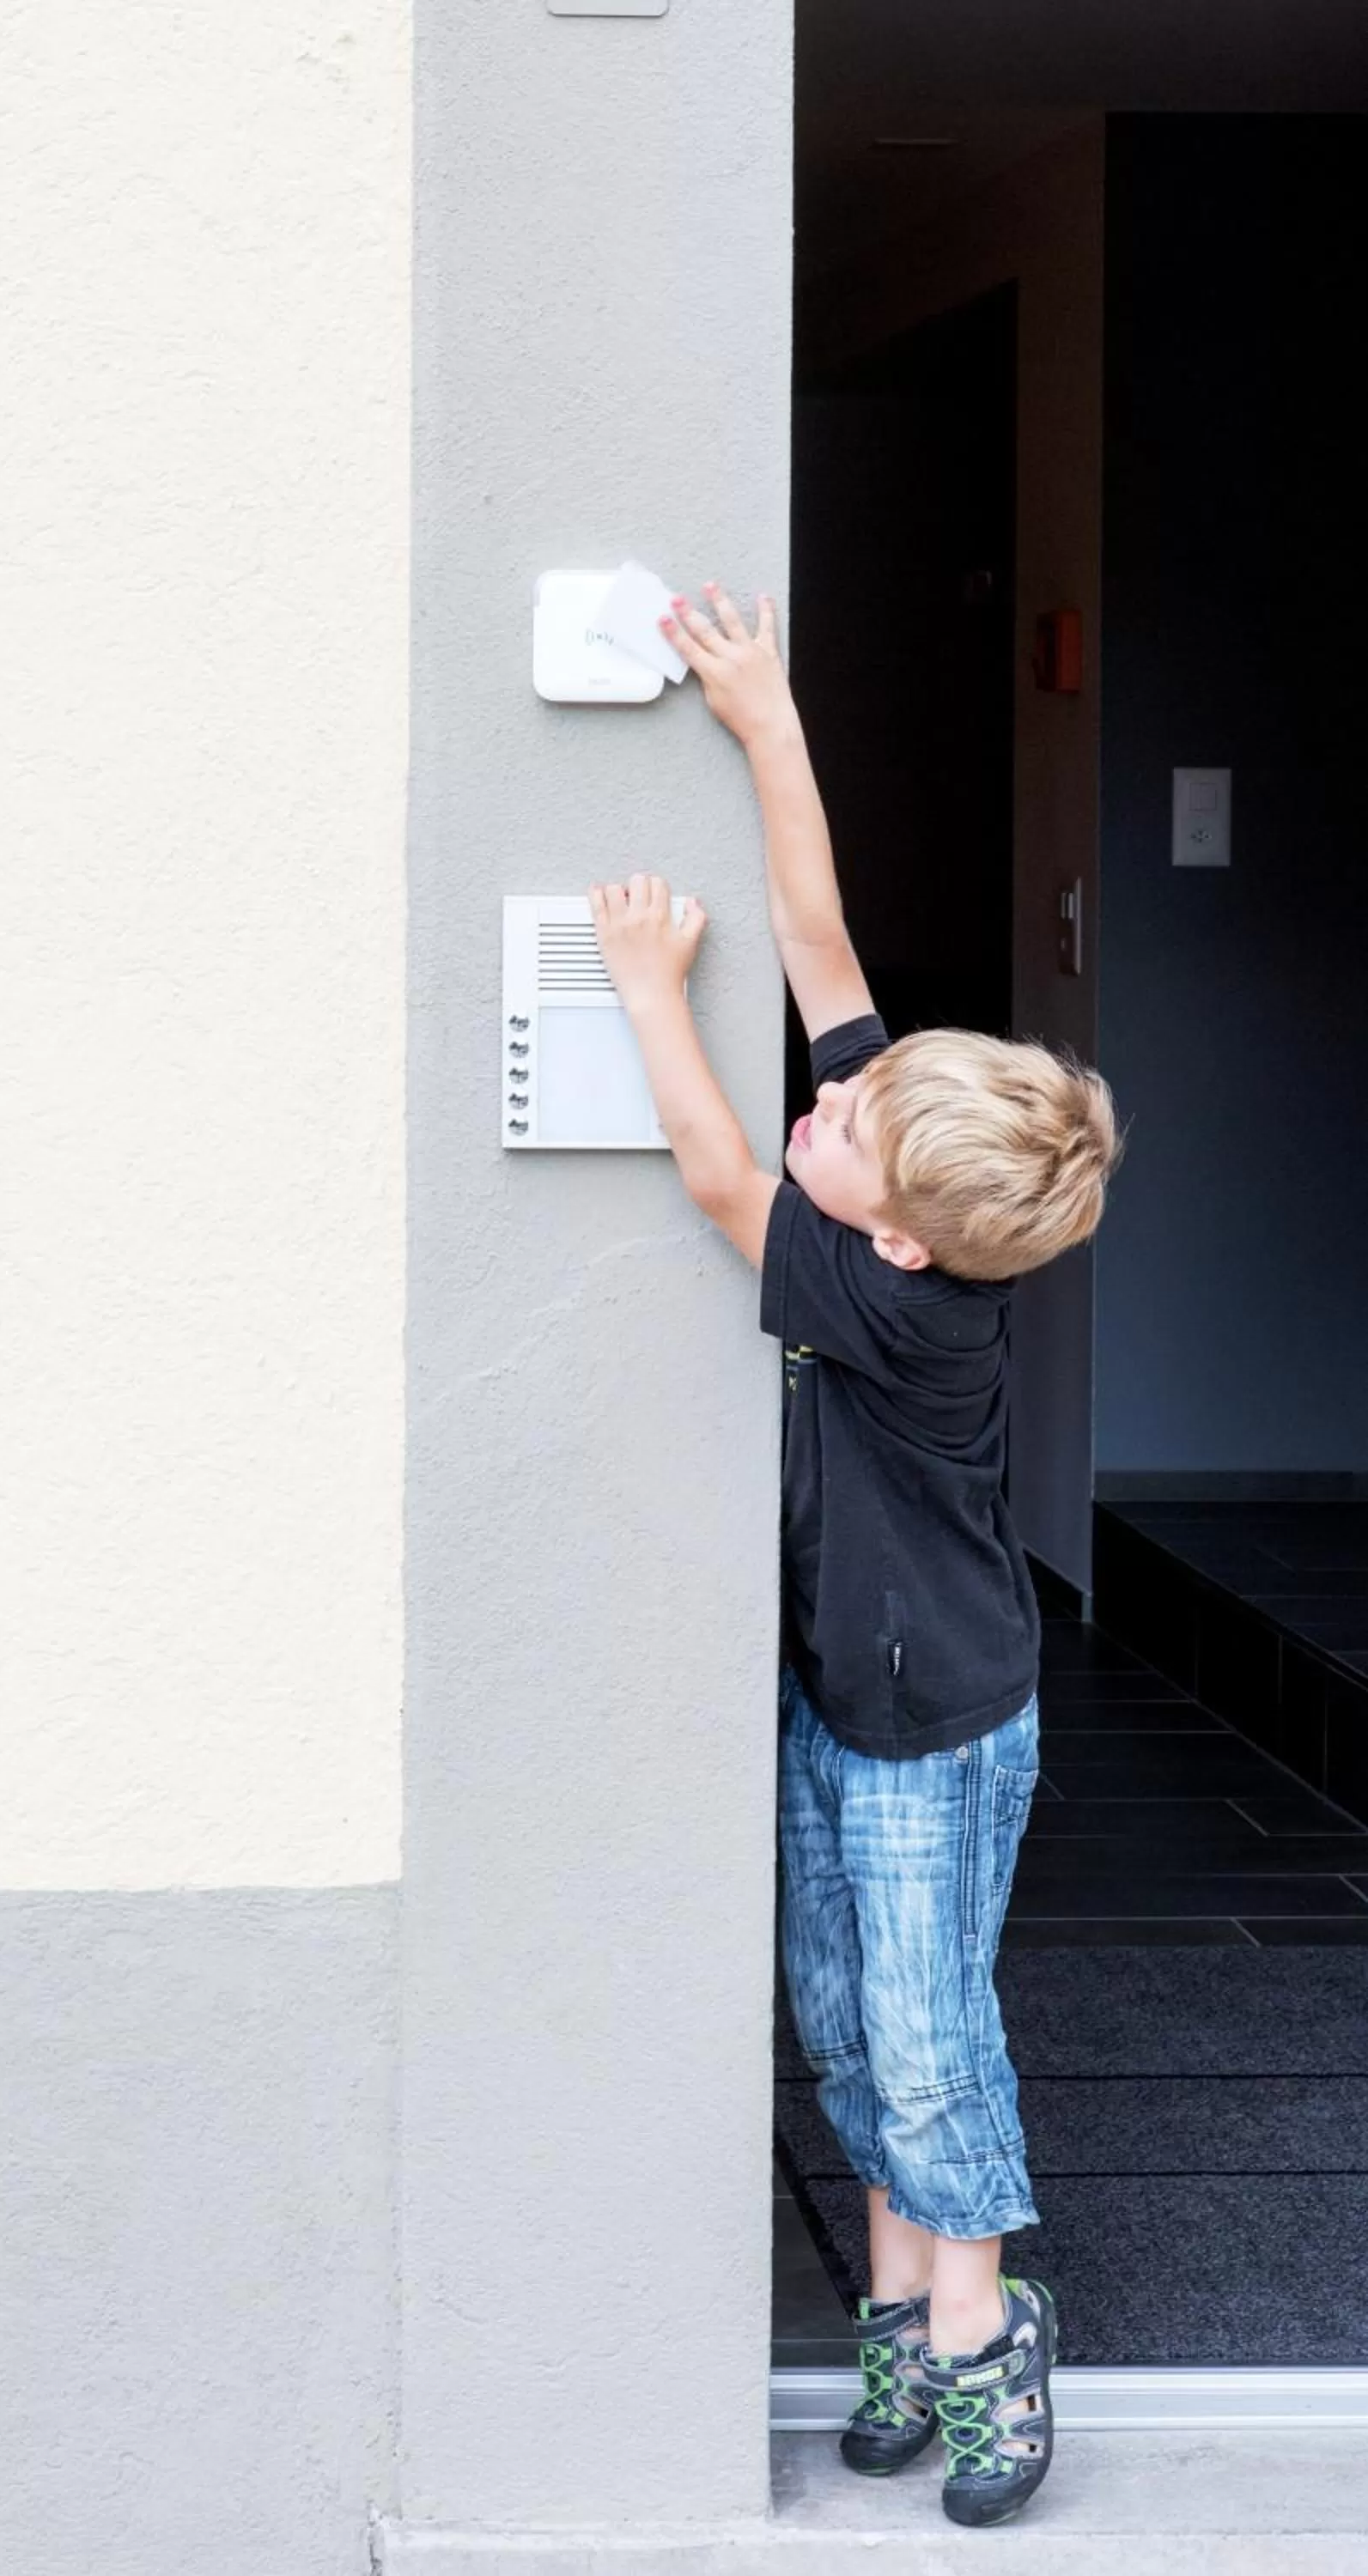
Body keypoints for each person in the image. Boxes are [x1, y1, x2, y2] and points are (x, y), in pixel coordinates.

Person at [589, 583, 1120, 2531]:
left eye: (849, 1136)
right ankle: (898, 2309)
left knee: (922, 2021)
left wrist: (645, 987)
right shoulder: (893, 1182)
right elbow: (819, 948)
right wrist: (760, 714)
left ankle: (983, 2336)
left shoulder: (893, 1308)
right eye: (848, 1094)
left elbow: (725, 1170)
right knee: (835, 2012)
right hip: (852, 1689)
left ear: (894, 1246)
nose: (826, 1102)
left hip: (934, 1722)